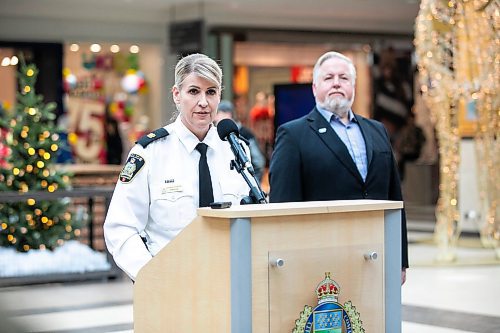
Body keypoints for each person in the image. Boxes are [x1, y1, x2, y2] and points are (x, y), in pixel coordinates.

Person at [103, 53, 250, 280]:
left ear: (219, 96)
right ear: (176, 95)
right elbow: (120, 227)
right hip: (170, 284)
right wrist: (152, 277)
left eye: (211, 92)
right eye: (193, 91)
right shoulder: (149, 153)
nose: (203, 102)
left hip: (229, 281)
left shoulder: (235, 149)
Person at [269, 51, 408, 284]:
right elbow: (283, 205)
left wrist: (400, 258)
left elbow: (395, 196)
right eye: (328, 78)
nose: (336, 83)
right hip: (320, 262)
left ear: (353, 86)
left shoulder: (377, 130)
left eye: (343, 78)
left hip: (377, 255)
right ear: (314, 88)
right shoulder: (293, 135)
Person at [214, 100, 266, 183]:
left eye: (217, 114)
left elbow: (258, 162)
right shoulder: (216, 134)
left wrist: (253, 185)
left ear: (228, 114)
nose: (215, 118)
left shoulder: (245, 134)